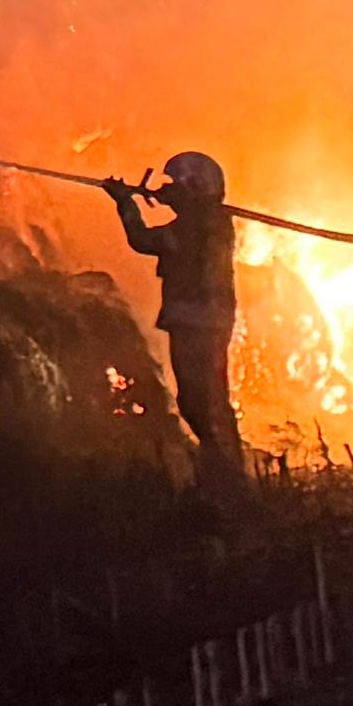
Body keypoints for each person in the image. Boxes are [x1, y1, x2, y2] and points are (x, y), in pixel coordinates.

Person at [104, 149, 250, 500]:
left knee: (204, 401)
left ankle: (229, 479)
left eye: (175, 186)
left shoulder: (197, 228)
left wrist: (125, 203)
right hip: (201, 321)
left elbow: (143, 240)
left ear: (193, 189)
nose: (167, 190)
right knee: (200, 399)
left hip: (197, 323)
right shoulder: (211, 223)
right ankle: (225, 473)